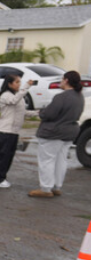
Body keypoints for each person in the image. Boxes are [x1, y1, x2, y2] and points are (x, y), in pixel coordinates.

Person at [30, 70, 85, 198]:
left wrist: (42, 112)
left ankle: (45, 188)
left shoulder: (61, 97)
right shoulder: (79, 96)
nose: (60, 81)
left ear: (66, 80)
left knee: (47, 160)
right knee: (61, 160)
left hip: (53, 132)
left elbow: (49, 114)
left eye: (62, 79)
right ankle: (56, 186)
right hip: (70, 132)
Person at [0, 74, 35, 188]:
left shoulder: (17, 96)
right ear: (9, 84)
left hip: (14, 132)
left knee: (9, 156)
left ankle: (2, 178)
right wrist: (27, 86)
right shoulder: (5, 95)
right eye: (17, 82)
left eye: (20, 82)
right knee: (3, 156)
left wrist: (38, 113)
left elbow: (22, 111)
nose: (19, 85)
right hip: (5, 130)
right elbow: (14, 101)